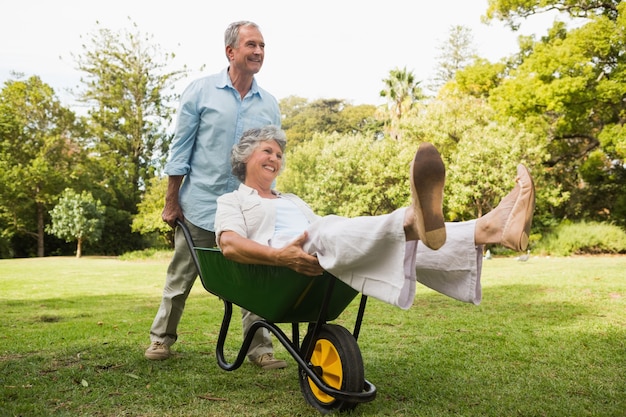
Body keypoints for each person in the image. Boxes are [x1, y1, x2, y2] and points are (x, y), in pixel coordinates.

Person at [214, 126, 535, 309]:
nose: (275, 159)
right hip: (285, 257)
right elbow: (228, 244)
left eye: (279, 155)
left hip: (319, 246)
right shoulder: (233, 200)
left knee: (372, 236)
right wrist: (279, 256)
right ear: (244, 158)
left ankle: (490, 230)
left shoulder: (292, 200)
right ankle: (415, 222)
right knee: (329, 230)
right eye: (267, 152)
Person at [145, 21, 288, 370]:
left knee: (253, 279)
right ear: (231, 51)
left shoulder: (268, 103)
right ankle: (161, 339)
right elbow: (180, 149)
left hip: (247, 208)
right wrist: (171, 200)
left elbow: (271, 156)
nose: (258, 52)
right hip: (202, 204)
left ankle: (260, 350)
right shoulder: (201, 92)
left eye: (263, 46)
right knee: (180, 277)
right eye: (251, 45)